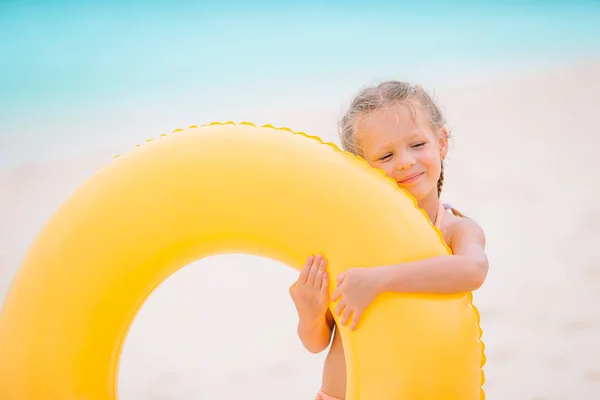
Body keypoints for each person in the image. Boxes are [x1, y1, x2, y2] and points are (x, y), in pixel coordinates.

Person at [288, 80, 490, 400]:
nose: (405, 162)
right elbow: (317, 342)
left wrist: (379, 280)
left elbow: (473, 269)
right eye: (385, 156)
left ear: (441, 143)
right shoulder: (351, 237)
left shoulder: (454, 229)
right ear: (362, 169)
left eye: (417, 145)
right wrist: (310, 313)